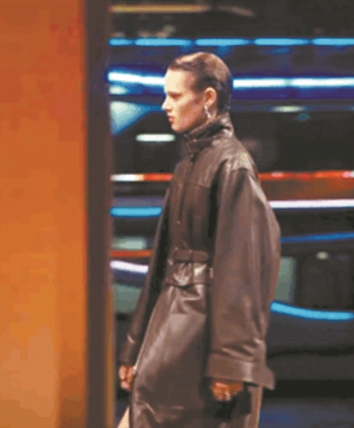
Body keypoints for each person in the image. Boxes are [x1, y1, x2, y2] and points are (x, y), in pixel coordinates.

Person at [117, 52, 282, 427]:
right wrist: (135, 347)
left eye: (175, 96)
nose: (165, 105)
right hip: (178, 329)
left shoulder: (231, 165)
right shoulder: (191, 165)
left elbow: (241, 269)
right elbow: (162, 263)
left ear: (208, 98)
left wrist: (231, 361)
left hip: (196, 336)